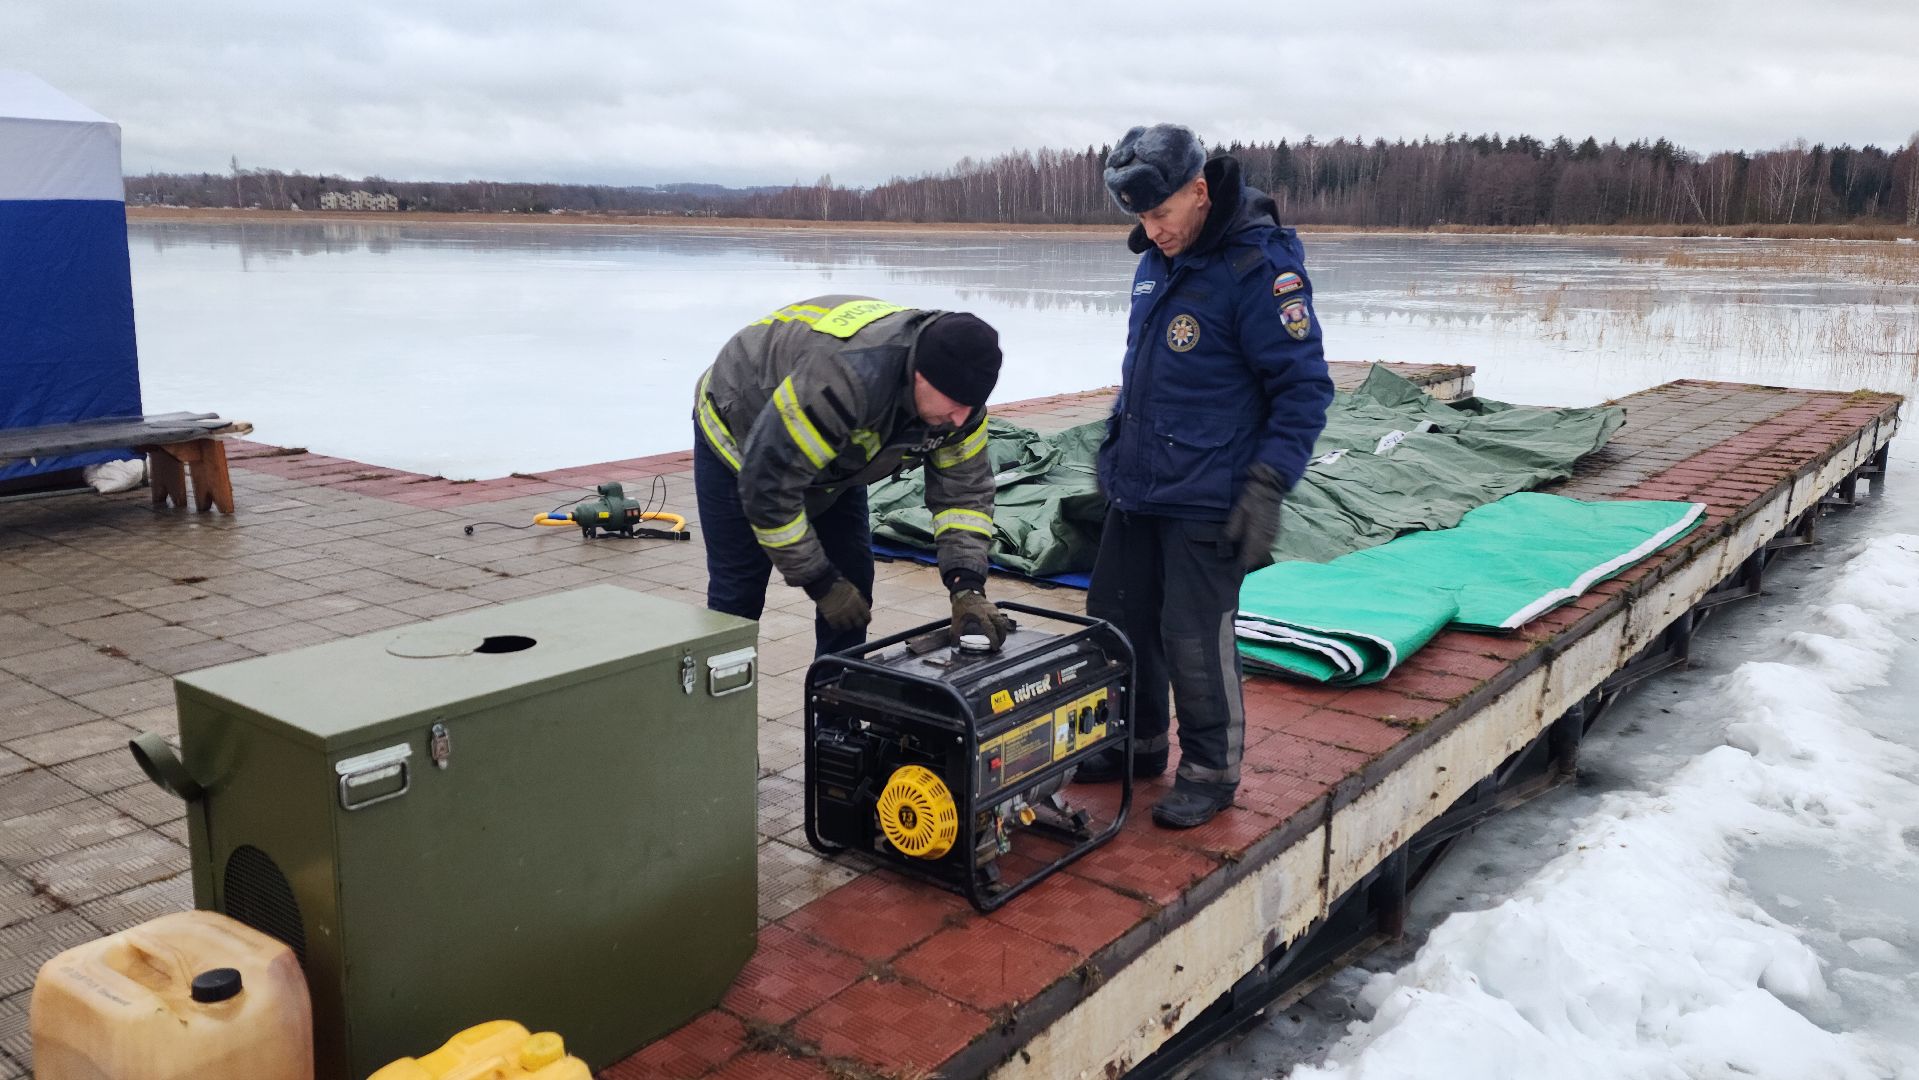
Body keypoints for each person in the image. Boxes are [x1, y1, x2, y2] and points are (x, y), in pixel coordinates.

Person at [1077, 124, 1335, 829]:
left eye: (1160, 214)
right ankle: (1133, 745)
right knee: (1117, 619)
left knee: (1193, 634)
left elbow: (1303, 389)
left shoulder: (1258, 267)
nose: (1150, 230)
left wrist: (1268, 482)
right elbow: (1146, 374)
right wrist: (1113, 448)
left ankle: (1210, 769)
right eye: (1139, 217)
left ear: (1198, 191)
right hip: (1141, 484)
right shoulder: (1159, 261)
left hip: (1212, 494)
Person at [691, 295, 1015, 657]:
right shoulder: (842, 382)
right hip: (740, 437)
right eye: (954, 405)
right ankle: (716, 709)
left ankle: (835, 709)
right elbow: (770, 491)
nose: (960, 418)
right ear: (920, 375)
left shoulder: (960, 403)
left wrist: (966, 586)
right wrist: (820, 581)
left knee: (854, 589)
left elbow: (964, 498)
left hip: (836, 463)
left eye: (971, 406)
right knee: (738, 598)